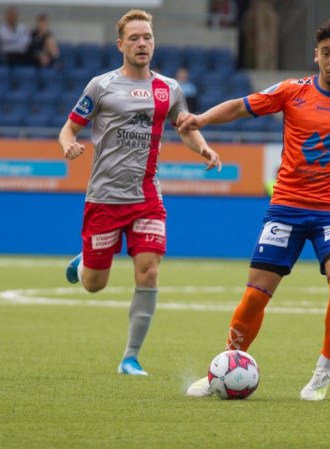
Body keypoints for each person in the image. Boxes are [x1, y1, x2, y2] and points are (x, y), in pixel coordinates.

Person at [182, 19, 330, 401]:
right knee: (255, 297)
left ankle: (323, 372)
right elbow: (241, 107)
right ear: (316, 55)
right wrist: (201, 119)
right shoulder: (291, 91)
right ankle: (225, 367)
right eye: (326, 53)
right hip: (286, 209)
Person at [59, 9, 221, 376]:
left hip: (147, 196)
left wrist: (204, 148)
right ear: (121, 45)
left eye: (147, 36)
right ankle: (84, 262)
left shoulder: (169, 89)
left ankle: (130, 357)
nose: (142, 43)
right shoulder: (100, 86)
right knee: (95, 285)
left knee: (148, 273)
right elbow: (69, 128)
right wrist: (68, 145)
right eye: (134, 37)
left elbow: (185, 126)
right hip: (103, 197)